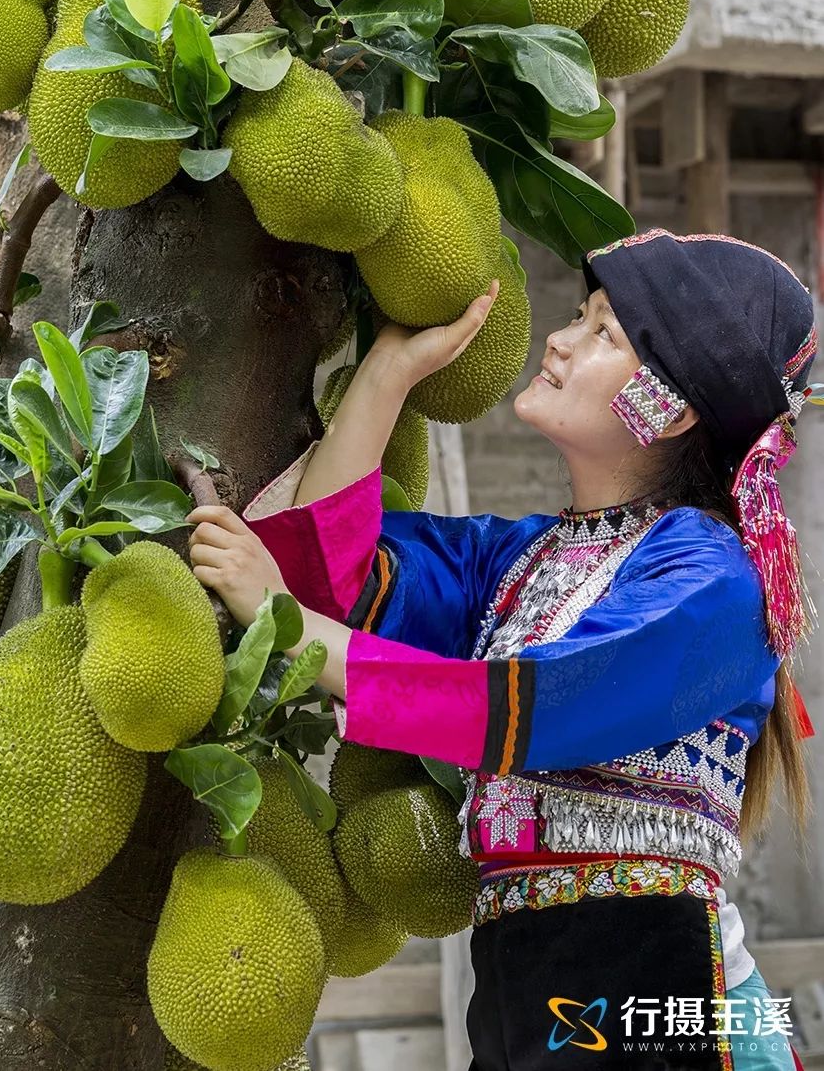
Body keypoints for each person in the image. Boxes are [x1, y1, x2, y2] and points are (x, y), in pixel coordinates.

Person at [186, 228, 818, 1071]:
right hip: (523, 1000)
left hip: (661, 1007)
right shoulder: (514, 561)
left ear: (670, 405)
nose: (559, 340)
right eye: (579, 316)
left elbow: (534, 702)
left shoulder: (716, 579)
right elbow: (336, 578)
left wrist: (285, 622)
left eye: (603, 332)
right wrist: (386, 373)